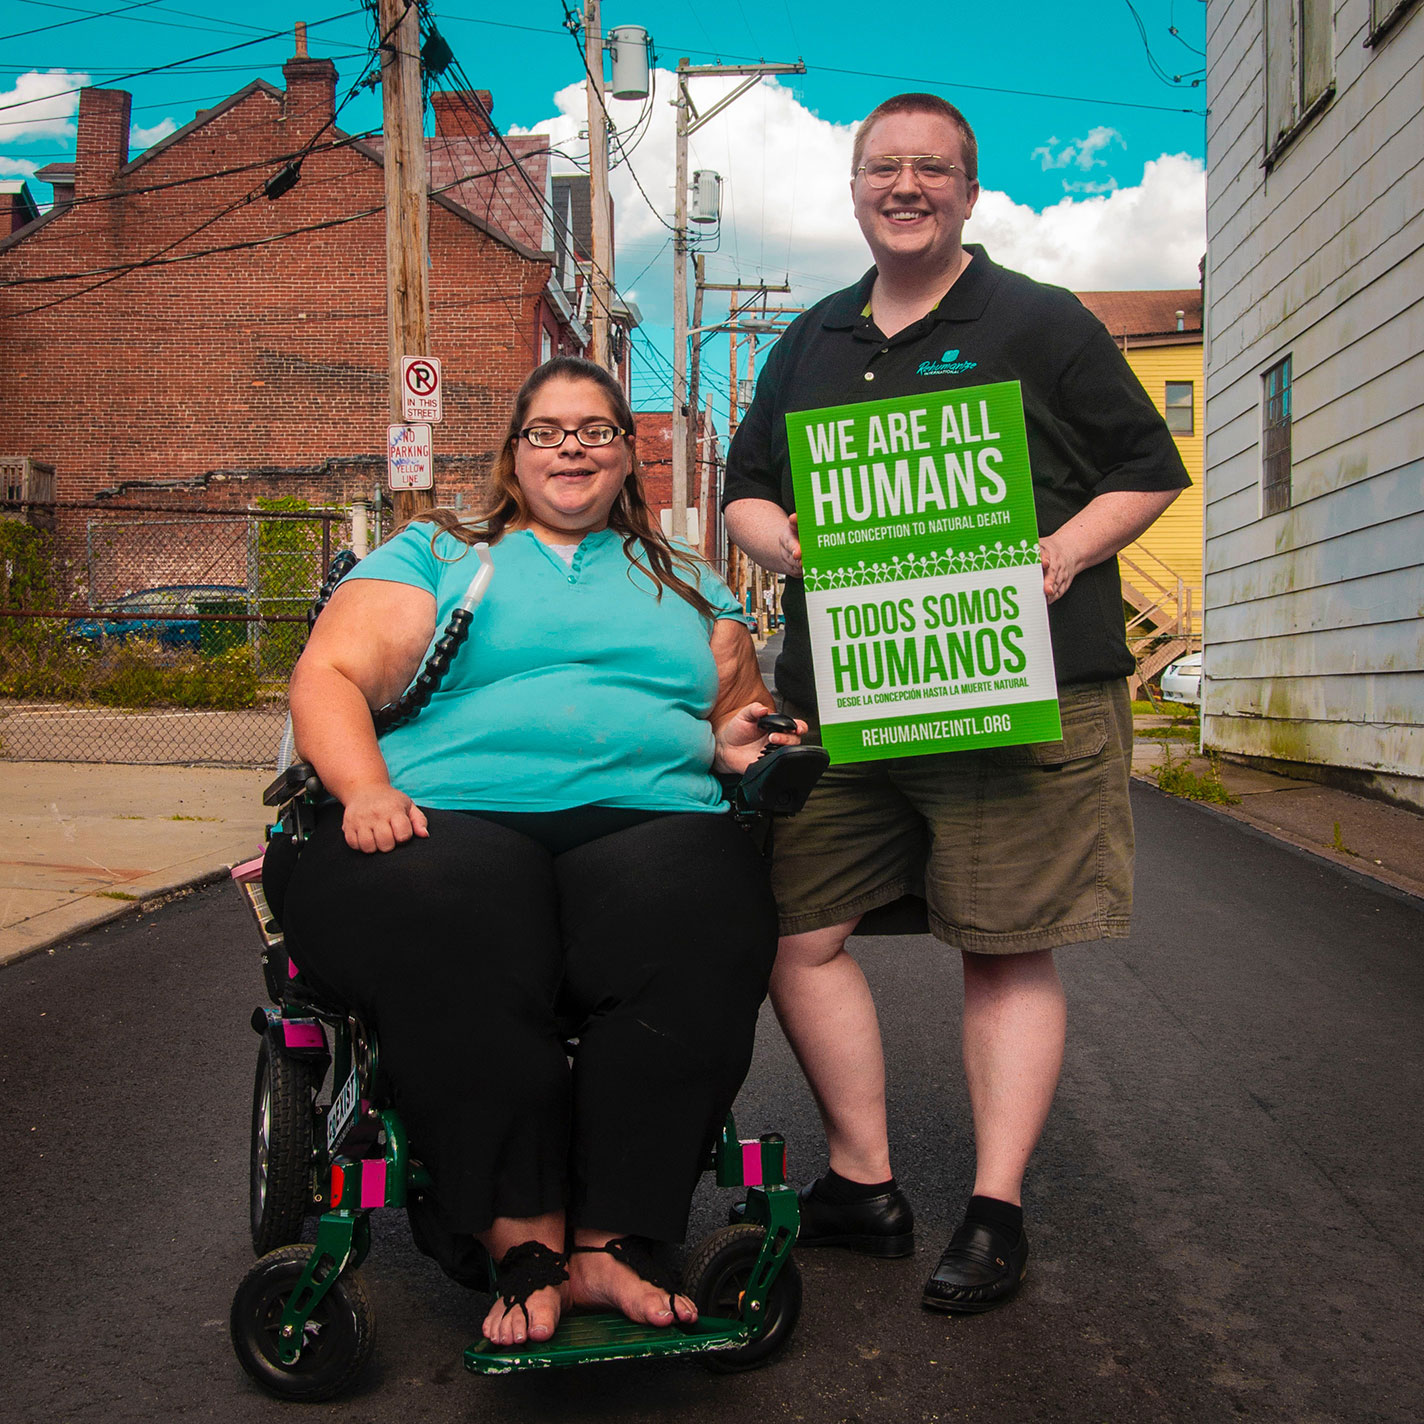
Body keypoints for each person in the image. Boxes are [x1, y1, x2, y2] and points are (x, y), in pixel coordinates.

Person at [722, 94, 1190, 1314]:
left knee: (1002, 940)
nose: (906, 183)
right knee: (790, 924)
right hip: (850, 696)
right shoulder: (813, 338)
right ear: (856, 188)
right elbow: (745, 495)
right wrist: (800, 550)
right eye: (884, 166)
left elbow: (1147, 468)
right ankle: (863, 1182)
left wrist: (1058, 554)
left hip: (1018, 685)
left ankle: (994, 1208)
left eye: (933, 167)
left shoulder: (1038, 320)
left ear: (970, 191)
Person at [267, 356, 803, 1349]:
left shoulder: (684, 575)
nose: (571, 445)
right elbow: (330, 675)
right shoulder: (442, 551)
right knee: (450, 907)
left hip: (645, 816)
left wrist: (742, 739)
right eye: (547, 429)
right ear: (514, 452)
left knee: (704, 907)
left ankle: (614, 1240)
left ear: (625, 456)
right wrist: (368, 788)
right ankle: (523, 1243)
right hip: (448, 814)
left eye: (594, 429)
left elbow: (732, 710)